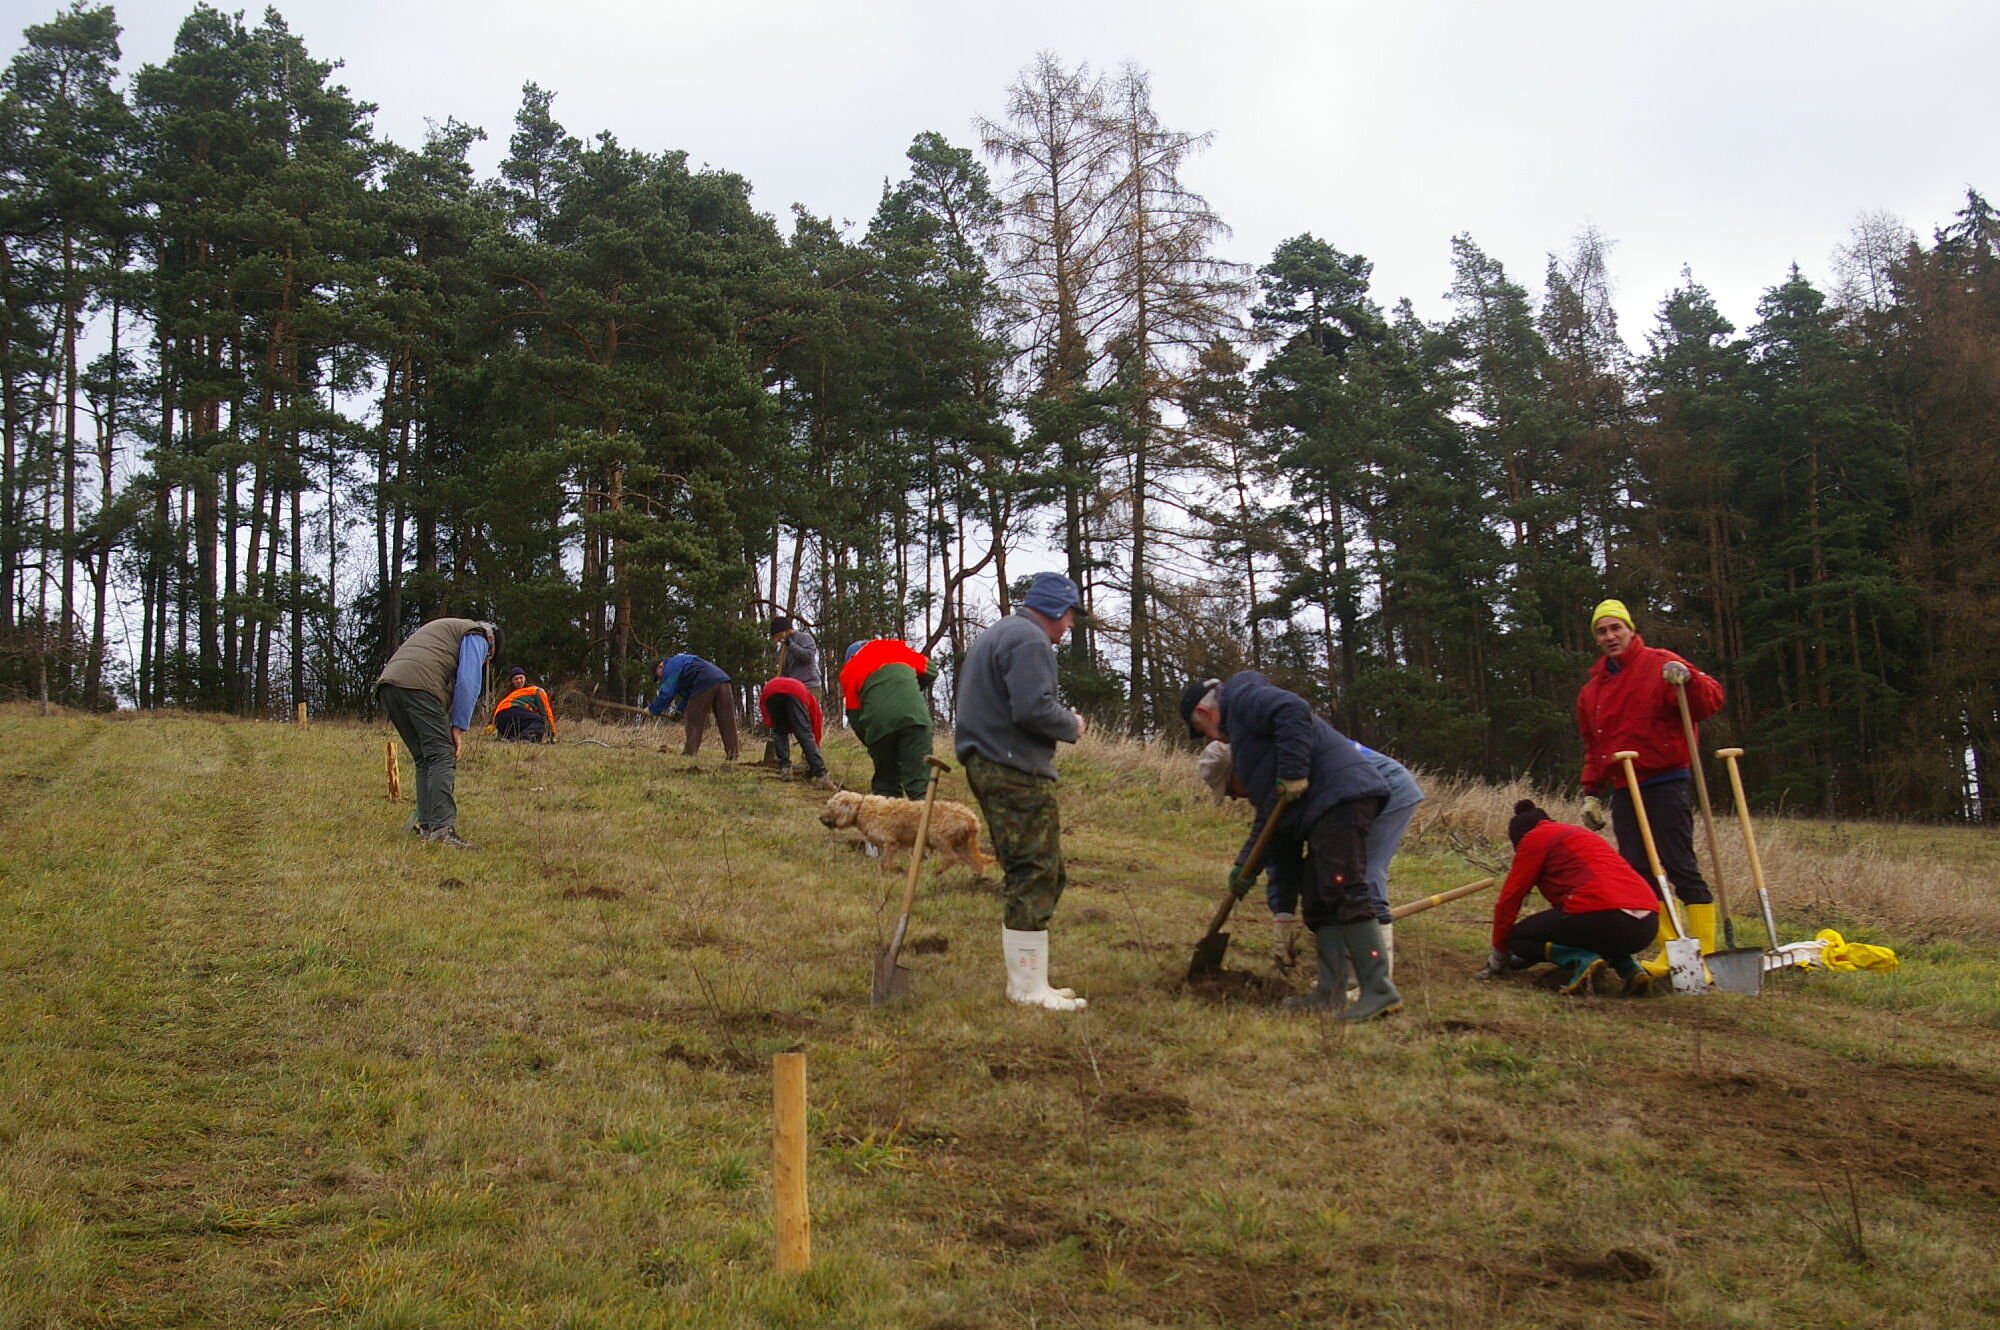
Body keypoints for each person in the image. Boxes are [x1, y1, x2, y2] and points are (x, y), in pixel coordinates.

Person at [1181, 673, 1398, 1020]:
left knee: (1344, 889)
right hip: (1324, 808)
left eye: (1204, 731)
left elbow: (1292, 708)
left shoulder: (1243, 697)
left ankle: (1378, 989)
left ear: (1205, 714)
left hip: (1341, 797)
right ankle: (1330, 992)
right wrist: (1245, 867)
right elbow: (1270, 820)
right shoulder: (1250, 743)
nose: (1214, 737)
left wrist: (1294, 770)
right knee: (1317, 898)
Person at [954, 573, 1089, 1011]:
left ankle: (1031, 983)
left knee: (1034, 869)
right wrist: (1071, 724)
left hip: (992, 763)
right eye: (1070, 615)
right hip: (1014, 768)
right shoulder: (1030, 640)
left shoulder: (1001, 633)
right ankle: (1029, 991)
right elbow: (1032, 708)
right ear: (1055, 609)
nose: (1070, 625)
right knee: (1035, 871)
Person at [1576, 598, 1725, 976]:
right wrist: (1591, 791)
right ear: (1595, 638)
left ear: (1630, 629)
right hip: (1624, 788)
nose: (1610, 636)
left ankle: (1704, 951)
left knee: (1679, 863)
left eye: (1615, 628)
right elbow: (1594, 747)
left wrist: (1688, 680)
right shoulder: (1591, 692)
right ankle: (1672, 948)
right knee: (1639, 869)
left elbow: (1710, 701)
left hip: (1665, 780)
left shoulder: (1661, 662)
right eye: (1601, 631)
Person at [1478, 800, 1660, 996]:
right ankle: (1631, 970)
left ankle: (1581, 960)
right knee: (1594, 928)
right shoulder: (1581, 835)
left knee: (1518, 937)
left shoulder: (1533, 838)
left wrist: (1500, 953)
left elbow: (1510, 899)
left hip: (1601, 914)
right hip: (1647, 923)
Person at [375, 616, 498, 848]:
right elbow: (468, 682)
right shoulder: (478, 635)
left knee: (424, 758)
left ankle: (428, 826)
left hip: (388, 686)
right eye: (487, 660)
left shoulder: (445, 631)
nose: (483, 662)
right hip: (419, 686)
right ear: (491, 646)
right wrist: (459, 727)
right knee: (442, 754)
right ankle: (442, 830)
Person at [841, 637, 934, 799]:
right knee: (919, 783)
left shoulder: (849, 670)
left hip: (879, 724)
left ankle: (889, 821)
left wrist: (871, 742)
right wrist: (908, 688)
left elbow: (854, 715)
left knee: (886, 783)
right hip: (916, 717)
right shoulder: (896, 648)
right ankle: (924, 820)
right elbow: (931, 670)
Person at [648, 653, 739, 760]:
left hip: (704, 681)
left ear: (660, 666)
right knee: (727, 720)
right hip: (723, 680)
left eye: (658, 676)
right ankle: (733, 754)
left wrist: (653, 709)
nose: (660, 678)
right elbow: (688, 695)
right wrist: (679, 711)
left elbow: (667, 694)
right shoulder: (682, 664)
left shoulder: (670, 665)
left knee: (693, 718)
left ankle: (690, 753)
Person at [759, 672, 831, 786]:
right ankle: (821, 774)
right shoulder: (811, 701)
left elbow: (765, 710)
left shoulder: (771, 688)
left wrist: (773, 724)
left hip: (770, 691)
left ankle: (785, 769)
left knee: (779, 732)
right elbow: (814, 727)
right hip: (795, 692)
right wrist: (815, 744)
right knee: (804, 734)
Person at [492, 666, 556, 742]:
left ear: (525, 678)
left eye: (521, 678)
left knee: (532, 728)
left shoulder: (509, 695)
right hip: (512, 712)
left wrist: (500, 735)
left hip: (500, 720)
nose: (519, 681)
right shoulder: (536, 690)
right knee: (541, 721)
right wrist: (552, 733)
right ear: (512, 681)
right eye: (516, 679)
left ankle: (510, 739)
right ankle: (524, 739)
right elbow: (546, 712)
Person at [770, 615, 820, 688]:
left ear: (785, 631)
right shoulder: (783, 648)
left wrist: (790, 644)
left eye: (778, 636)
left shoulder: (804, 637)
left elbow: (808, 656)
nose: (777, 640)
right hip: (794, 687)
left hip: (809, 686)